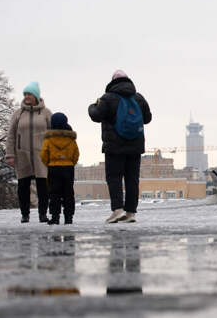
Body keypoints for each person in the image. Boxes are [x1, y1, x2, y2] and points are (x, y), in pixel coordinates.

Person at [88, 70, 152, 223]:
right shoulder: (139, 98)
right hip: (135, 146)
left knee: (114, 178)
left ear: (113, 81)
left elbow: (96, 115)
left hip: (114, 146)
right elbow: (147, 118)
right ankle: (130, 213)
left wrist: (92, 105)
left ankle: (117, 210)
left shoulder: (108, 98)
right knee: (132, 179)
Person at [5, 82, 53, 223]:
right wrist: (10, 155)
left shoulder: (46, 113)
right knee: (23, 186)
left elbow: (53, 134)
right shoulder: (18, 114)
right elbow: (11, 135)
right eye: (25, 94)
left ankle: (42, 214)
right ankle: (25, 214)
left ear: (36, 96)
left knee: (43, 186)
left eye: (29, 94)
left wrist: (52, 153)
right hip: (22, 155)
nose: (26, 97)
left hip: (41, 155)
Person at [40, 112, 79, 225]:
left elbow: (43, 154)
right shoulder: (71, 140)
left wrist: (49, 163)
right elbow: (76, 154)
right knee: (68, 193)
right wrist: (71, 163)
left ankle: (55, 217)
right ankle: (69, 217)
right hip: (68, 168)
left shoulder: (48, 139)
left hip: (53, 168)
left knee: (54, 193)